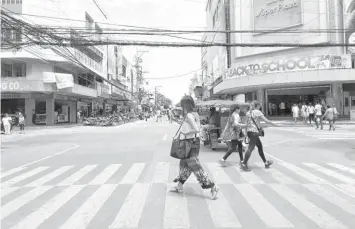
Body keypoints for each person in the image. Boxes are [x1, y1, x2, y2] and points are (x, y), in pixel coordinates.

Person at [171, 95, 219, 200]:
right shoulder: (195, 114)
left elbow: (196, 129)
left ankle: (213, 186)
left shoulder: (188, 115)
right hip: (194, 142)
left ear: (185, 105)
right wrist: (177, 121)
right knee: (184, 164)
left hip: (189, 143)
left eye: (182, 104)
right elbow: (190, 125)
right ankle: (179, 186)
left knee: (195, 167)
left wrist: (185, 132)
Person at [240, 101, 276, 172]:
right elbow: (266, 121)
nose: (260, 107)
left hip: (250, 132)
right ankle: (244, 164)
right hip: (254, 132)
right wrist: (275, 124)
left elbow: (246, 124)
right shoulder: (257, 112)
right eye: (260, 105)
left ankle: (266, 163)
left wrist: (246, 134)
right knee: (251, 148)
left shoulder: (248, 113)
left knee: (259, 147)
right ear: (258, 105)